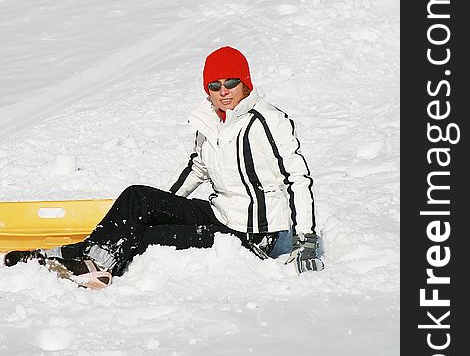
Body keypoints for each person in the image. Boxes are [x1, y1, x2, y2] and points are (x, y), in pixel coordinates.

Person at [4, 47, 324, 288]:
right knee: (138, 198)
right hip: (222, 214)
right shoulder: (212, 122)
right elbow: (197, 168)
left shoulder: (266, 121)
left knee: (150, 236)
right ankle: (74, 256)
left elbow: (298, 179)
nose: (223, 91)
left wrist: (305, 239)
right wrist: (162, 206)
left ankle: (89, 264)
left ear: (246, 84)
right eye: (215, 85)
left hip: (256, 234)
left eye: (231, 82)